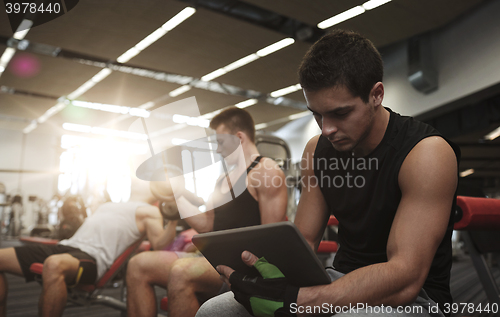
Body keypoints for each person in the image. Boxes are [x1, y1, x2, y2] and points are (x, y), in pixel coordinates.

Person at [195, 30, 460, 317]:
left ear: (376, 95)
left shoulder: (426, 154)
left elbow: (405, 279)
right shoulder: (317, 150)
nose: (327, 129)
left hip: (417, 299)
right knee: (214, 311)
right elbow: (304, 243)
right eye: (317, 114)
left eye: (340, 113)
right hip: (340, 278)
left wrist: (302, 301)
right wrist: (257, 278)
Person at [126, 107, 288, 317]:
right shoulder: (222, 180)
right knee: (138, 264)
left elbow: (271, 238)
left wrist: (245, 275)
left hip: (242, 268)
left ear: (239, 138)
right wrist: (176, 193)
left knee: (181, 272)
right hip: (212, 261)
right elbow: (207, 225)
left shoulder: (266, 171)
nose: (218, 150)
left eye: (221, 142)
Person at [0, 178, 178, 317]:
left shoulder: (150, 211)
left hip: (91, 257)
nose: (137, 180)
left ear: (157, 188)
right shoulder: (110, 204)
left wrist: (173, 218)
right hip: (65, 246)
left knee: (53, 264)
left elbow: (159, 244)